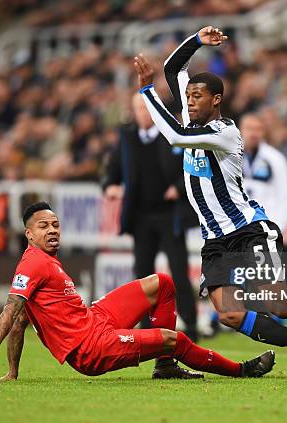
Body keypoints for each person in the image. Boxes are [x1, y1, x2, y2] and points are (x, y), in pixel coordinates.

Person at [133, 26, 287, 380]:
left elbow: (177, 136)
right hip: (215, 240)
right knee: (229, 315)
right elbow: (172, 68)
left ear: (216, 100)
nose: (190, 100)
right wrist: (196, 40)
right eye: (188, 95)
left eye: (198, 96)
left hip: (248, 231)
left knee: (279, 305)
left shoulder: (225, 133)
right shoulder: (194, 118)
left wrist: (147, 92)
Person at [0, 202, 275, 381]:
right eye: (44, 226)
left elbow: (21, 323)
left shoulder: (47, 262)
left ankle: (164, 366)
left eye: (55, 224)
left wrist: (14, 372)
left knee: (162, 283)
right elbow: (12, 311)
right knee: (175, 339)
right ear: (29, 234)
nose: (53, 230)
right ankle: (241, 371)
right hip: (90, 348)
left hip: (93, 319)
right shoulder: (31, 265)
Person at [103, 93, 198, 341]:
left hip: (169, 216)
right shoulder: (127, 138)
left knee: (178, 271)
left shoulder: (172, 135)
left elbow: (192, 169)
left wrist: (177, 187)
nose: (143, 114)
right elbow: (112, 171)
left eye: (146, 109)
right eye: (138, 109)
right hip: (141, 217)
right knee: (143, 274)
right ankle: (146, 327)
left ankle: (191, 323)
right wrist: (110, 186)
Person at [240, 113, 287, 233]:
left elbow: (285, 195)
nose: (253, 133)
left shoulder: (276, 159)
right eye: (249, 128)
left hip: (267, 224)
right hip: (238, 227)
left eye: (257, 129)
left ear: (263, 132)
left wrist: (278, 228)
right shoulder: (229, 158)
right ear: (241, 130)